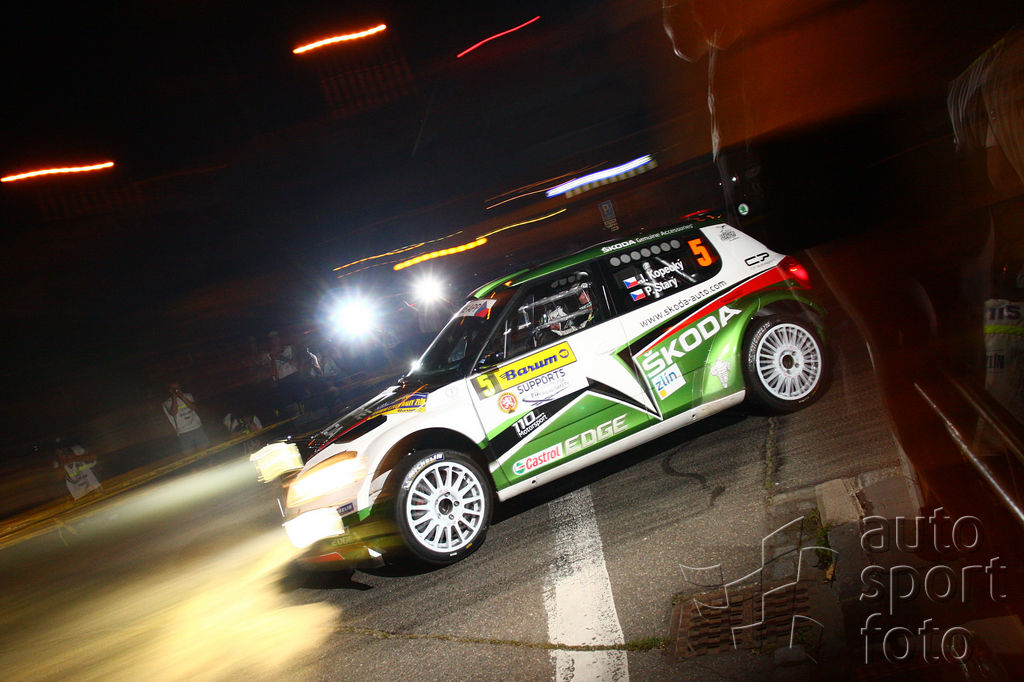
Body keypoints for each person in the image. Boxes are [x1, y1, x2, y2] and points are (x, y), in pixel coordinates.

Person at [162, 382, 209, 454]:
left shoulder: (188, 395)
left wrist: (182, 397)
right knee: (189, 454)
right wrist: (174, 397)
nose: (176, 390)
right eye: (173, 388)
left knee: (205, 452)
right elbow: (173, 412)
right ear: (170, 390)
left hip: (196, 427)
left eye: (177, 387)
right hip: (183, 432)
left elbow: (193, 407)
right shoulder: (167, 402)